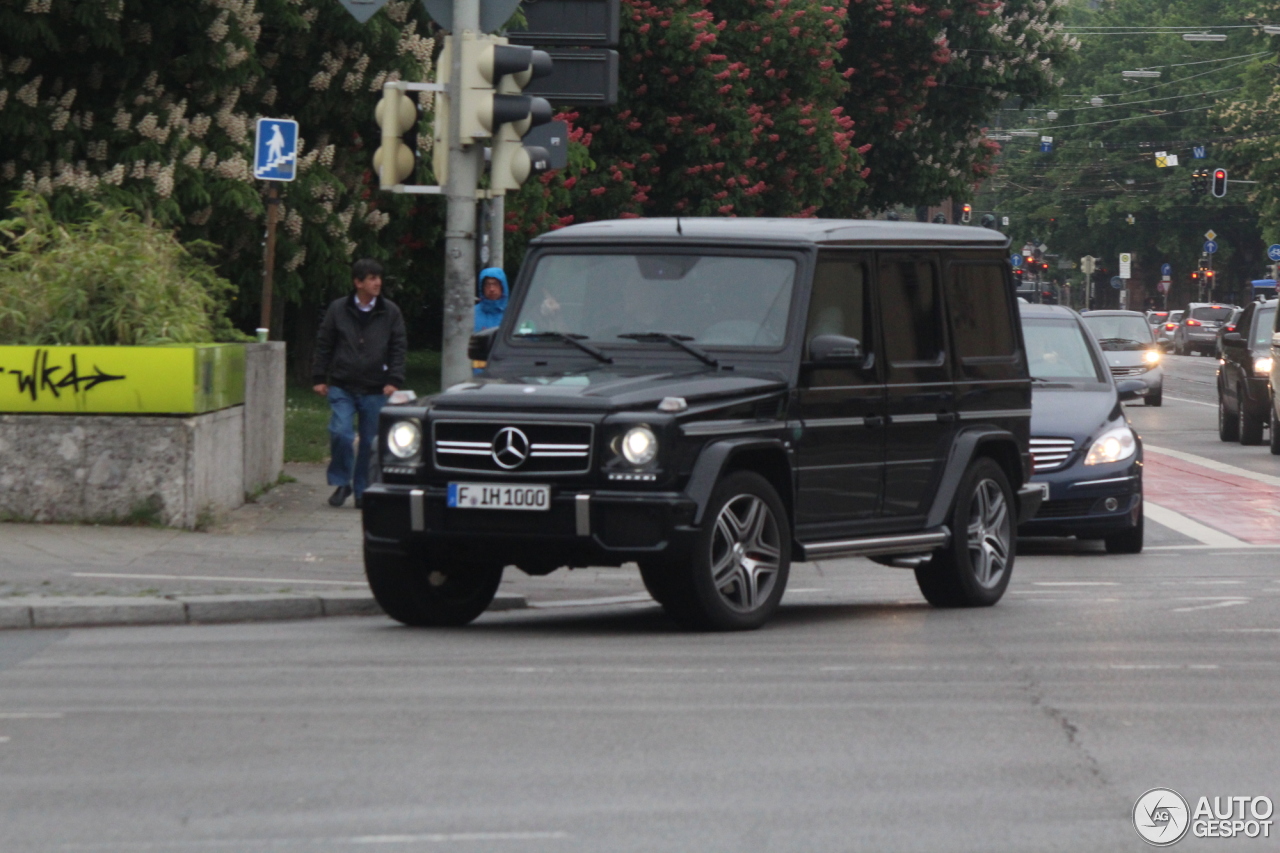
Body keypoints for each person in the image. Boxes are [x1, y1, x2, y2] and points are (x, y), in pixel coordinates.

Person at [311, 258, 407, 509]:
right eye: (372, 278)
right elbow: (324, 344)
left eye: (379, 278)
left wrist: (394, 379)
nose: (378, 283)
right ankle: (343, 482)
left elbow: (398, 348)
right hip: (343, 384)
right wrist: (319, 377)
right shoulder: (338, 309)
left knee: (368, 442)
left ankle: (363, 489)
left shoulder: (390, 311)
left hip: (376, 387)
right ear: (358, 282)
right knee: (340, 432)